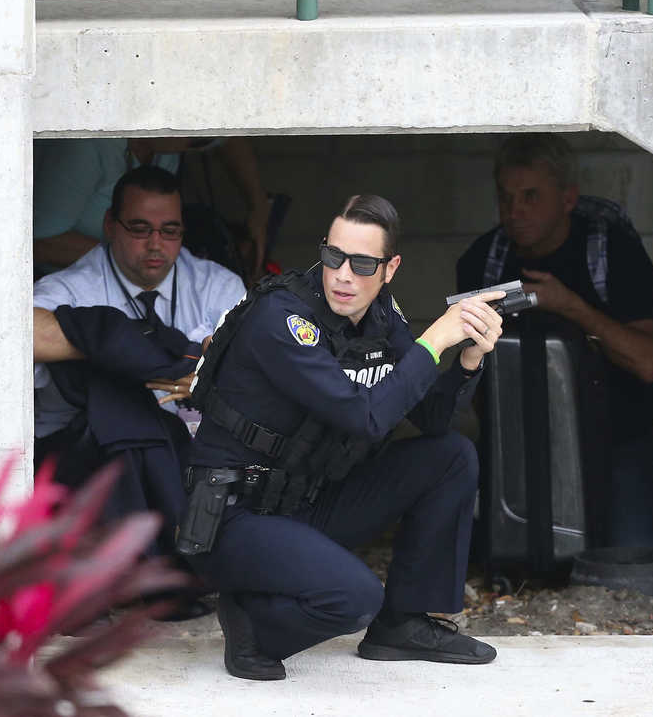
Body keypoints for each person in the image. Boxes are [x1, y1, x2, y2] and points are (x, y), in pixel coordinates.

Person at [185, 194, 503, 681]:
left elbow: (434, 419)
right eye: (333, 256)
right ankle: (252, 623)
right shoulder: (283, 318)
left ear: (390, 268)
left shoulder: (380, 315)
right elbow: (365, 417)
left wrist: (468, 358)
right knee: (354, 598)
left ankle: (403, 624)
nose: (343, 275)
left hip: (306, 498)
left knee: (451, 456)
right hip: (235, 515)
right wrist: (435, 339)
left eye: (362, 263)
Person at [456, 132, 653, 553]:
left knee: (632, 554)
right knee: (482, 548)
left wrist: (570, 307)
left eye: (531, 197)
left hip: (614, 440)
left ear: (567, 199)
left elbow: (649, 362)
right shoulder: (483, 261)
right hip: (519, 443)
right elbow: (472, 381)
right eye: (506, 198)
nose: (515, 212)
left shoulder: (611, 251)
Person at [33, 165, 246, 570]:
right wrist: (121, 349)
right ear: (109, 225)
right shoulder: (74, 285)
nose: (155, 244)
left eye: (170, 231)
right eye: (139, 228)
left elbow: (244, 372)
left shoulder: (217, 285)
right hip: (88, 466)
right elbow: (18, 334)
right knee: (114, 397)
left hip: (191, 461)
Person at [33, 137, 270, 279]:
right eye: (198, 140)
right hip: (67, 282)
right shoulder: (87, 146)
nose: (196, 146)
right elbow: (37, 244)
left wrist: (258, 207)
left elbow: (228, 139)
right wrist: (132, 259)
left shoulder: (168, 148)